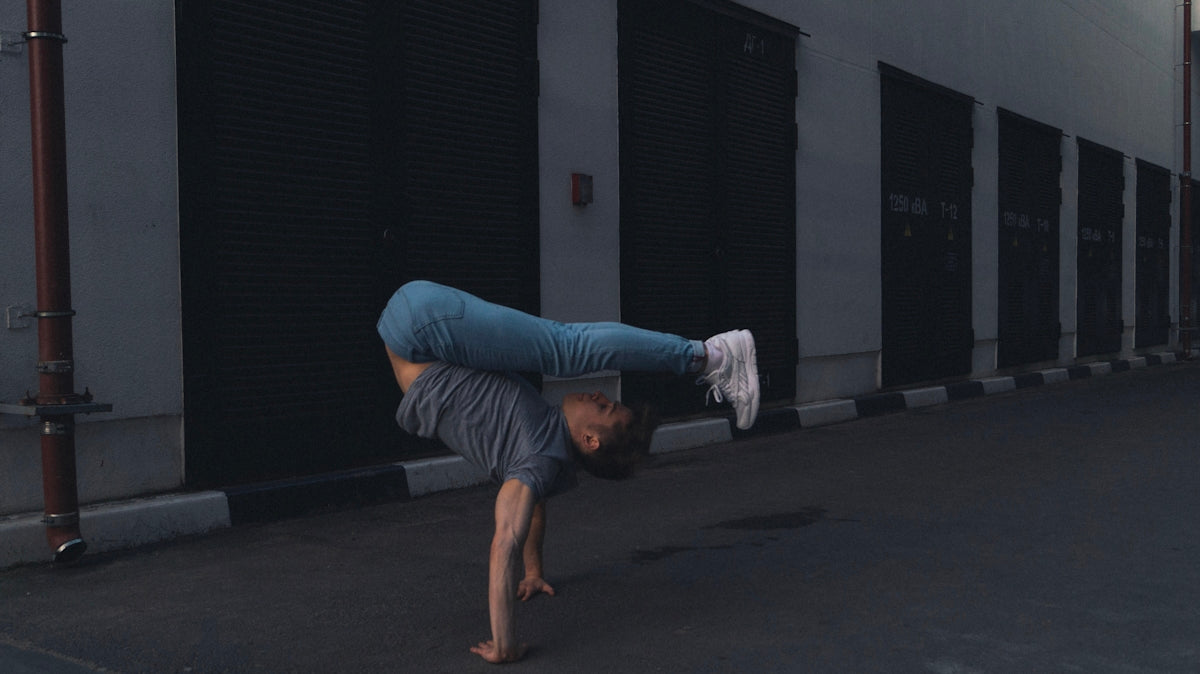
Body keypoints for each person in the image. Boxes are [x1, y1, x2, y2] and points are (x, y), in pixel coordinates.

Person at [377, 280, 759, 663]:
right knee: (563, 347)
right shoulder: (543, 451)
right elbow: (529, 505)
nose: (597, 395)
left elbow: (509, 535)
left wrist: (511, 626)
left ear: (590, 440)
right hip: (417, 328)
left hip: (419, 325)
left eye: (604, 407)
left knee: (566, 347)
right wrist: (533, 570)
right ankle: (708, 355)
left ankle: (714, 356)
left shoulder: (541, 459)